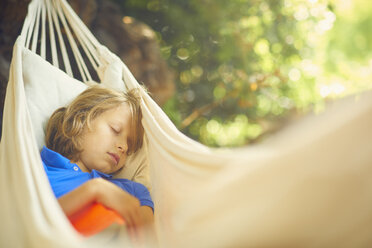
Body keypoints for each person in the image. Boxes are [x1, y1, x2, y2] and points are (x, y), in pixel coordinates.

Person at [41, 85, 153, 238]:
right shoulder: (39, 168)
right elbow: (29, 221)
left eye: (130, 145)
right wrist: (94, 190)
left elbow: (147, 240)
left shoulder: (135, 191)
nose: (124, 147)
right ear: (81, 119)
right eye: (115, 130)